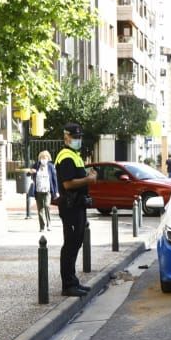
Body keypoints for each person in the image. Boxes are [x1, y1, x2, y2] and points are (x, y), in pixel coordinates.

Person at [54, 123, 96, 297]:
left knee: (76, 243)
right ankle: (68, 285)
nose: (78, 140)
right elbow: (68, 183)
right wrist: (89, 180)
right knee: (71, 245)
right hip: (70, 206)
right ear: (66, 137)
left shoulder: (74, 155)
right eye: (75, 137)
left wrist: (88, 176)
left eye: (79, 137)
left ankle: (73, 281)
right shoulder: (65, 156)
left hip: (78, 205)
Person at [31, 150, 57, 231]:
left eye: (45, 157)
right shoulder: (37, 165)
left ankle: (49, 224)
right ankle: (42, 226)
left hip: (47, 190)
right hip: (38, 190)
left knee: (47, 206)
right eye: (42, 157)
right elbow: (29, 172)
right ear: (39, 158)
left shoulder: (50, 166)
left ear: (48, 158)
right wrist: (31, 171)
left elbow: (54, 179)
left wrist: (56, 191)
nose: (43, 159)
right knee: (40, 210)